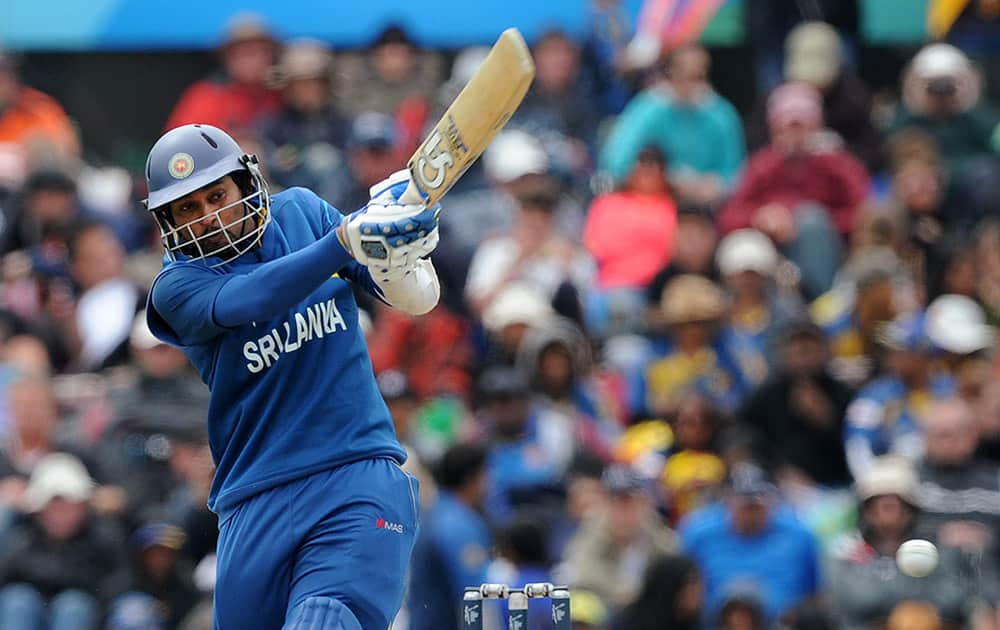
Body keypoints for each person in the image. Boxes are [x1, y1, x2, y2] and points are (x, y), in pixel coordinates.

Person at [141, 123, 441, 629]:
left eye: (217, 195)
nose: (210, 216)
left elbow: (403, 294)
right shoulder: (176, 287)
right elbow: (254, 297)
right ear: (168, 222)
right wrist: (346, 240)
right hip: (252, 501)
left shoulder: (301, 212)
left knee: (324, 619)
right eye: (189, 209)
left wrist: (401, 250)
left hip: (355, 473)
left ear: (245, 183)